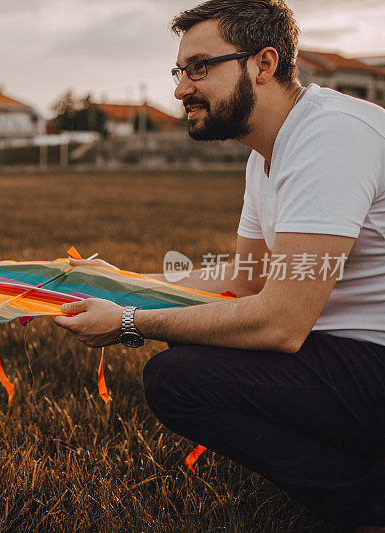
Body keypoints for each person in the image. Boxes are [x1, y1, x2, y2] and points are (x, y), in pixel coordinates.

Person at [53, 0, 385, 528]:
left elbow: (280, 323)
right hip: (352, 355)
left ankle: (366, 504)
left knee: (180, 378)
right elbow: (243, 280)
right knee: (196, 337)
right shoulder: (267, 154)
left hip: (371, 359)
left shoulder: (331, 137)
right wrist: (120, 285)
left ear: (264, 63)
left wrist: (129, 323)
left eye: (200, 67)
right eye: (180, 71)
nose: (182, 87)